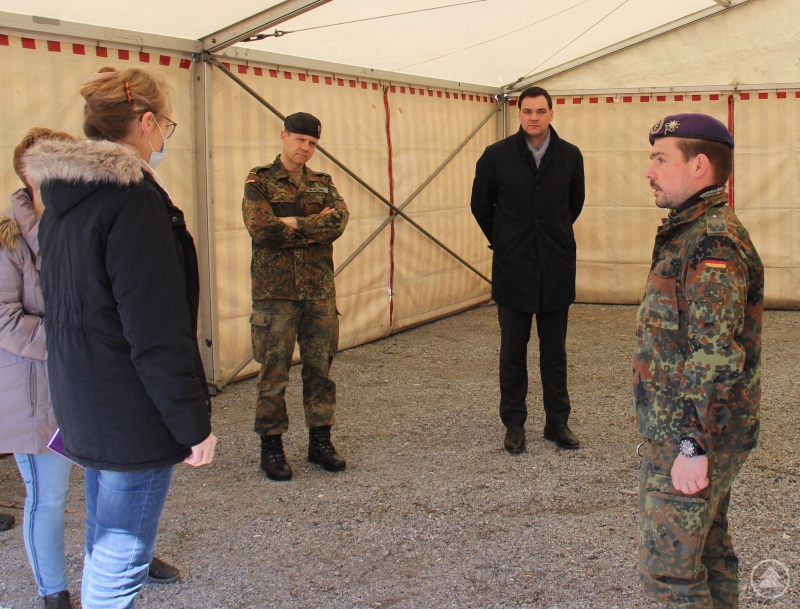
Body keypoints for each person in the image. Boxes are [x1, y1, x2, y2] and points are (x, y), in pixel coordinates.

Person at [24, 68, 217, 608]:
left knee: (103, 539)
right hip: (129, 409)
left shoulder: (66, 200)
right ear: (147, 122)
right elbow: (154, 327)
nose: (163, 140)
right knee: (121, 556)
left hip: (86, 400)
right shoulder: (130, 199)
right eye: (166, 126)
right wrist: (190, 421)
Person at [2, 128, 184, 609]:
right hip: (38, 391)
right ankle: (54, 592)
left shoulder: (80, 220)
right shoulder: (7, 240)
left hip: (90, 387)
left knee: (108, 487)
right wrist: (79, 342)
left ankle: (122, 559)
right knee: (49, 497)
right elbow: (7, 323)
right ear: (30, 178)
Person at [634, 113, 763, 607]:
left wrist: (692, 443)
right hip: (696, 427)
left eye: (661, 159)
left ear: (699, 165)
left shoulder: (711, 242)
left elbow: (714, 353)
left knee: (670, 575)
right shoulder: (690, 233)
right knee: (707, 553)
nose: (650, 171)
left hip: (690, 431)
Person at [470, 86, 585, 453]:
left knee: (555, 352)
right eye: (527, 111)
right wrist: (504, 239)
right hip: (513, 268)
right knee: (512, 352)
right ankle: (514, 424)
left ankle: (557, 422)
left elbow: (574, 204)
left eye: (540, 111)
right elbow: (480, 205)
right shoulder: (496, 156)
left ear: (552, 113)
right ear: (518, 114)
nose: (533, 117)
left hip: (555, 268)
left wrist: (552, 238)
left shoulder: (570, 156)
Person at [243, 112, 349, 481]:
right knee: (274, 374)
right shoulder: (259, 181)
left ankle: (320, 441)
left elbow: (338, 222)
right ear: (284, 136)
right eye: (300, 140)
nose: (305, 148)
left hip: (318, 292)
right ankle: (271, 446)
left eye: (312, 143)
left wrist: (293, 222)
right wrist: (312, 225)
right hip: (276, 296)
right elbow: (261, 228)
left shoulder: (323, 182)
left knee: (321, 371)